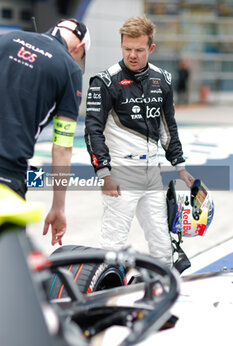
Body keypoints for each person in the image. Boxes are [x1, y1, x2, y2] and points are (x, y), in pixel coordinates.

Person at [85, 16, 193, 267]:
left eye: (139, 50)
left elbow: (168, 128)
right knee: (112, 247)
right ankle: (107, 298)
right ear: (121, 45)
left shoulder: (162, 80)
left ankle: (162, 296)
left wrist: (180, 166)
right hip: (121, 174)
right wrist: (104, 173)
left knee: (163, 249)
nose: (132, 55)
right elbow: (93, 131)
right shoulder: (105, 81)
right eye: (127, 49)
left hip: (152, 174)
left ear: (151, 48)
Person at [0, 18, 90, 246]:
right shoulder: (69, 69)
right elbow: (62, 145)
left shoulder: (7, 40)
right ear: (78, 48)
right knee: (9, 264)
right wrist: (58, 207)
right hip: (7, 174)